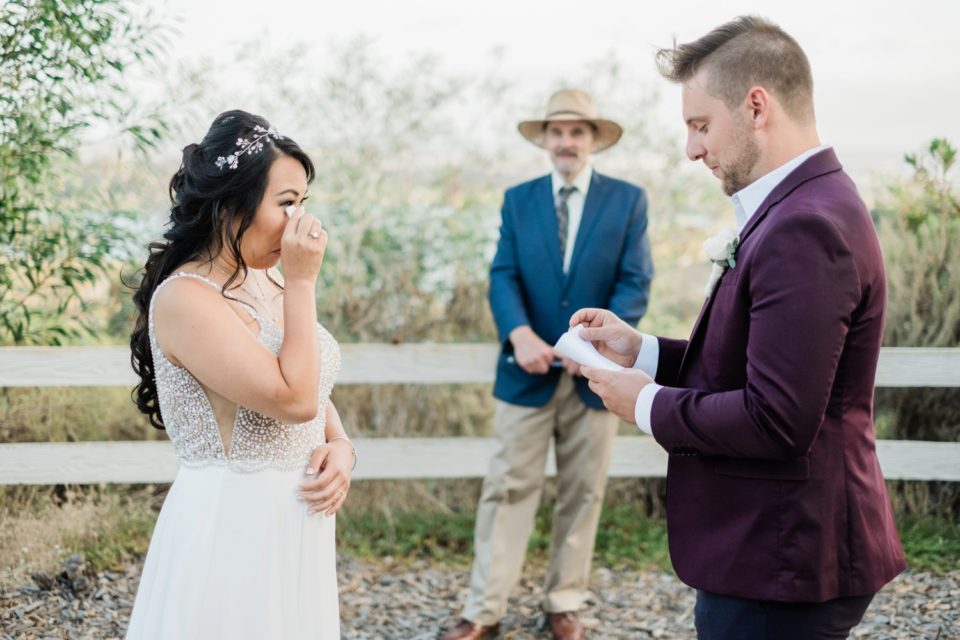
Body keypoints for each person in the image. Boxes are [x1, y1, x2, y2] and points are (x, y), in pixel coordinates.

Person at [571, 16, 906, 640]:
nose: (692, 149)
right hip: (778, 550)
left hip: (784, 554)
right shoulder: (804, 205)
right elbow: (756, 362)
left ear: (756, 107)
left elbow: (777, 418)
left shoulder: (806, 226)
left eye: (700, 125)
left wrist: (644, 404)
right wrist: (642, 351)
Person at [126, 110, 354, 639]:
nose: (303, 224)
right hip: (235, 524)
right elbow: (293, 398)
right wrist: (302, 283)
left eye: (304, 203)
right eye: (287, 204)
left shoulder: (265, 281)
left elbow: (311, 382)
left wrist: (341, 444)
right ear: (232, 204)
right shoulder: (186, 298)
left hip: (296, 521)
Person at [442, 89, 654, 640]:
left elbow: (635, 280)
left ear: (592, 140)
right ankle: (483, 609)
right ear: (545, 139)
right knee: (507, 487)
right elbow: (503, 274)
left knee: (584, 489)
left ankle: (564, 602)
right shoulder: (518, 199)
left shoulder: (628, 200)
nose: (566, 141)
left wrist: (599, 345)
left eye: (577, 132)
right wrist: (520, 335)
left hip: (594, 377)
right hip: (526, 370)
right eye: (557, 132)